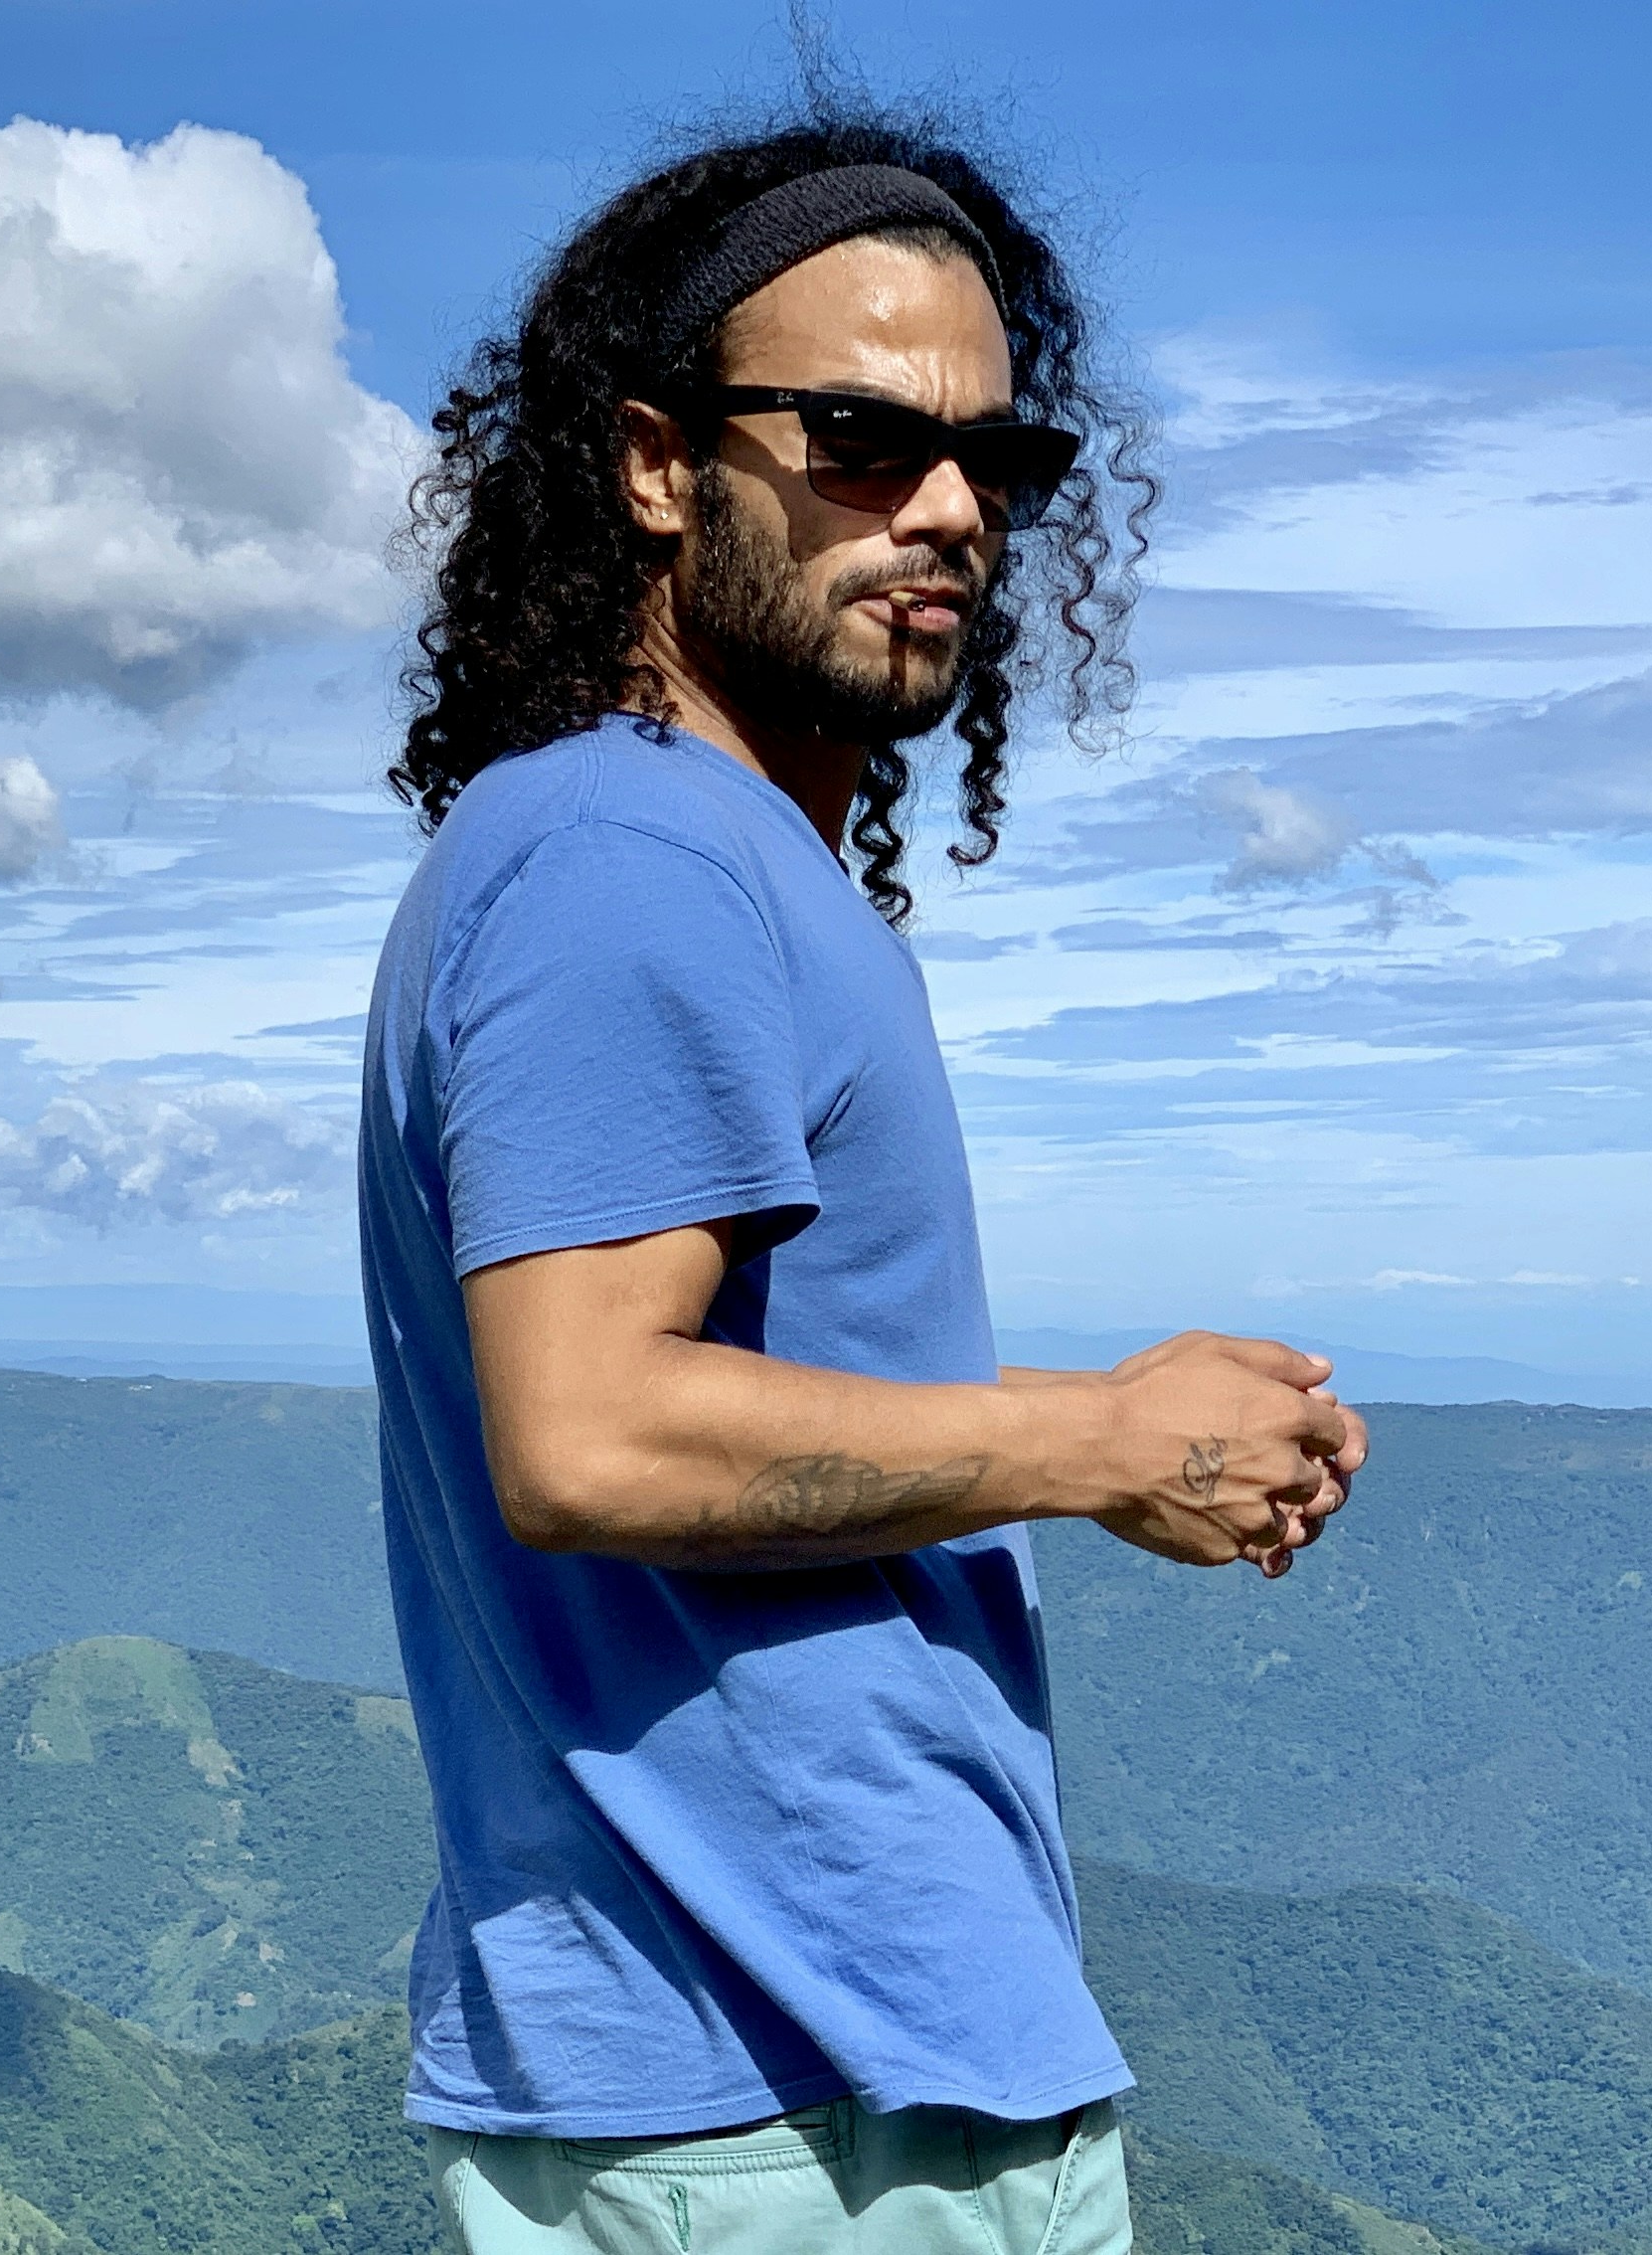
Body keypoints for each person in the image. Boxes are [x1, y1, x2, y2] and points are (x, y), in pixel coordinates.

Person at [357, 104, 1373, 2254]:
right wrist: (1100, 1443)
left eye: (994, 464)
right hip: (785, 2111)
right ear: (655, 464)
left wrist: (1128, 1432)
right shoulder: (627, 860)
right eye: (855, 437)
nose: (943, 514)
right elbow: (591, 1432)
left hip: (809, 2091)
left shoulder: (708, 862)